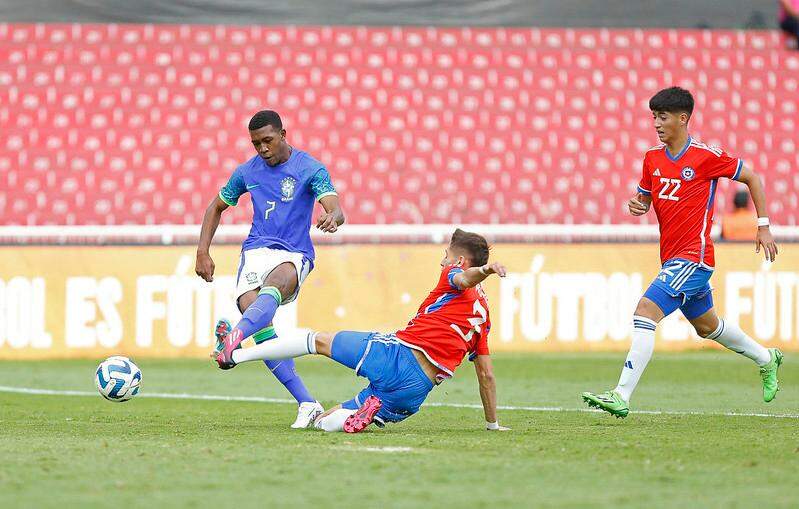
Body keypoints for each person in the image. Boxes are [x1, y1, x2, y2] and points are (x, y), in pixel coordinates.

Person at [582, 87, 782, 418]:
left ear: (682, 118)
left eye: (663, 117)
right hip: (672, 256)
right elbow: (645, 197)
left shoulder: (706, 157)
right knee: (707, 326)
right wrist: (638, 204)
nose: (657, 124)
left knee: (645, 311)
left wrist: (763, 225)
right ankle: (766, 358)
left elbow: (752, 177)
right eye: (654, 117)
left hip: (694, 257)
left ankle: (621, 394)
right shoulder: (652, 158)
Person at [215, 229, 510, 433]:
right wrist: (492, 424)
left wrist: (484, 271)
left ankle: (236, 355)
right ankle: (353, 418)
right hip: (415, 392)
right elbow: (486, 375)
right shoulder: (483, 317)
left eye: (446, 256)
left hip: (398, 356)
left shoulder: (453, 276)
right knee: (324, 421)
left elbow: (463, 279)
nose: (442, 261)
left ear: (459, 261)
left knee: (316, 341)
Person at [195, 110, 345, 428]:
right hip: (255, 252)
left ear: (283, 134)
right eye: (256, 144)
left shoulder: (309, 168)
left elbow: (335, 206)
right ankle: (307, 403)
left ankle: (233, 341)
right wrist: (202, 251)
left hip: (294, 253)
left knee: (273, 288)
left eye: (268, 141)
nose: (262, 149)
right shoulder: (247, 172)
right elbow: (215, 207)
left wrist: (332, 217)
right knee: (260, 322)